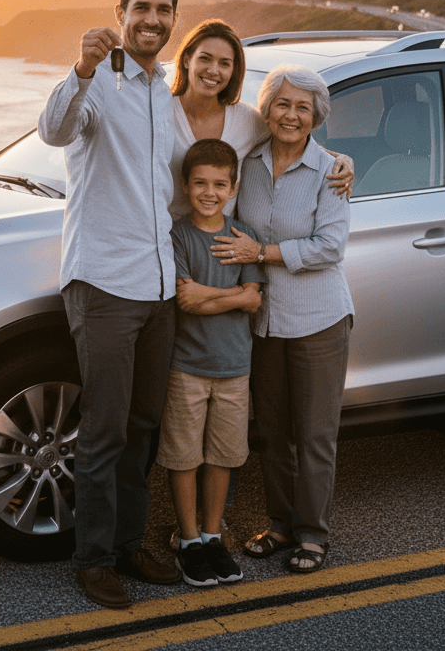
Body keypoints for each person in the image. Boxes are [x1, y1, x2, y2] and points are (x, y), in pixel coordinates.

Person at [38, 0, 183, 609]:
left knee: (143, 425)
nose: (152, 19)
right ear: (120, 13)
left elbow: (210, 152)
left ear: (173, 17)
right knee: (104, 431)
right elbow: (54, 130)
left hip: (159, 288)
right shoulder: (97, 83)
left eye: (163, 9)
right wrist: (81, 68)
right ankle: (93, 560)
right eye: (141, 8)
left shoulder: (164, 90)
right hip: (103, 285)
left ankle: (128, 544)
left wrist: (328, 159)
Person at [211, 64, 355, 574]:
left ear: (317, 116)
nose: (291, 115)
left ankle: (313, 535)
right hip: (264, 321)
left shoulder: (331, 171)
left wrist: (262, 253)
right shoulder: (247, 163)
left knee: (314, 435)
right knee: (272, 432)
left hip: (319, 319)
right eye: (282, 104)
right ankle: (280, 525)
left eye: (303, 107)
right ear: (267, 109)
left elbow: (330, 246)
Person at [156, 138, 264, 587]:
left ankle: (212, 535)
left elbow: (254, 300)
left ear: (233, 187)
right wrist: (234, 295)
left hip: (235, 367)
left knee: (223, 455)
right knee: (183, 456)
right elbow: (185, 300)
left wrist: (212, 294)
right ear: (185, 185)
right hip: (187, 367)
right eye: (200, 183)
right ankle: (188, 541)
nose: (209, 192)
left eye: (220, 184)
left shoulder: (242, 237)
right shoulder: (178, 235)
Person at [168, 19, 354, 221]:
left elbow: (291, 136)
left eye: (224, 63)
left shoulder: (246, 120)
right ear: (187, 60)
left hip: (224, 238)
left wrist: (341, 159)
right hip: (165, 236)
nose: (213, 70)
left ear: (233, 70)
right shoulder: (160, 112)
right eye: (205, 58)